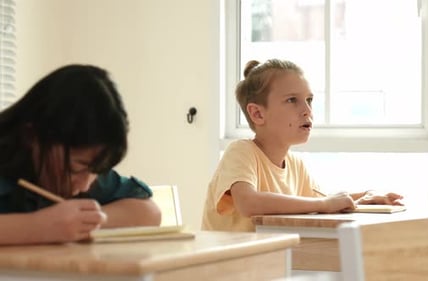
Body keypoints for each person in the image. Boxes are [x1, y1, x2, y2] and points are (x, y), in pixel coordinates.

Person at [202, 59, 404, 232]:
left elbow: (325, 201)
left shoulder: (296, 165)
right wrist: (326, 204)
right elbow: (248, 203)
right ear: (257, 113)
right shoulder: (241, 152)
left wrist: (364, 197)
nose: (307, 110)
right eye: (292, 100)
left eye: (309, 100)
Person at [0, 64, 161, 245]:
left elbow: (148, 213)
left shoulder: (86, 170)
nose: (85, 185)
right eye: (75, 168)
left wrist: (82, 222)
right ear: (31, 136)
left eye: (96, 170)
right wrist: (39, 227)